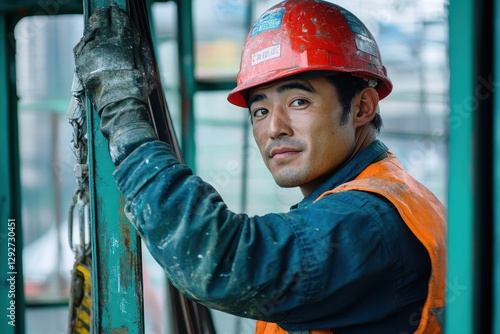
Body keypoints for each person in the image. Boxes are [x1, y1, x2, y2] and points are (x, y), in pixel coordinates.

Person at [74, 1, 446, 333]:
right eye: (260, 110)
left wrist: (124, 115)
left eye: (299, 102)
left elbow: (220, 262)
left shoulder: (369, 219)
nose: (274, 128)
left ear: (363, 107)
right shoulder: (385, 195)